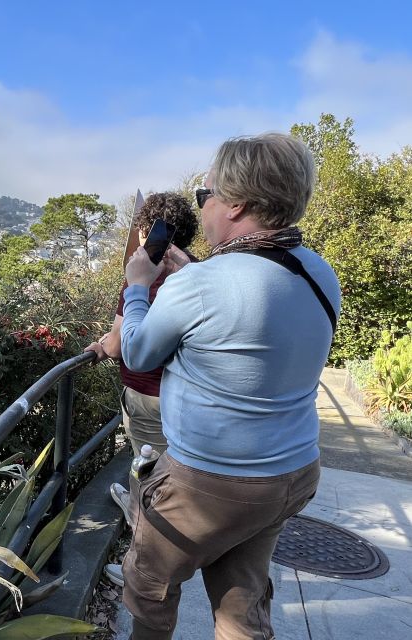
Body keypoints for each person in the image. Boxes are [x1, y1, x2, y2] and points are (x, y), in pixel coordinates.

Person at [118, 133, 340, 640]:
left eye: (206, 195)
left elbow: (137, 350)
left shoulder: (199, 285)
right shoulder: (318, 271)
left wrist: (137, 285)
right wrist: (193, 275)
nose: (205, 205)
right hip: (292, 472)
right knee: (242, 602)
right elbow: (249, 329)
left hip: (211, 486)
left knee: (149, 583)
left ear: (236, 204)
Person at [85, 192, 198, 462]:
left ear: (146, 231)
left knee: (148, 472)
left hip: (149, 395)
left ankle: (138, 505)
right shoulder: (198, 271)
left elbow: (116, 347)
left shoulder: (141, 278)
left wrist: (103, 345)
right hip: (192, 397)